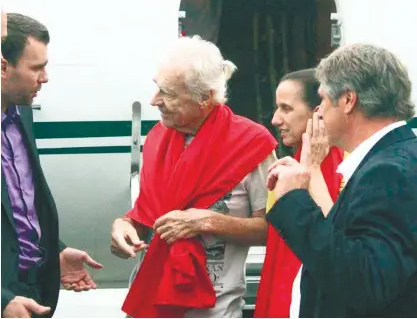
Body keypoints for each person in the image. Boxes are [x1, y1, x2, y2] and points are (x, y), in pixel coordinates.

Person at [110, 35, 277, 318]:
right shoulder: (157, 139)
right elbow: (146, 215)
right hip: (150, 298)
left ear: (205, 98)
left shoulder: (252, 144)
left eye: (169, 93)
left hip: (215, 307)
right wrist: (124, 227)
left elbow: (273, 230)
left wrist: (207, 221)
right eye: (157, 88)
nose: (155, 101)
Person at [266, 43, 417, 317]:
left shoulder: (386, 172)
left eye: (322, 100)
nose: (319, 112)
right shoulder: (398, 157)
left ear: (348, 100)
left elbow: (367, 282)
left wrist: (293, 201)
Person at [1, 12, 103, 319]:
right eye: (36, 68)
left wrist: (53, 252)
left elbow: (19, 208)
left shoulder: (21, 116)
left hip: (31, 295)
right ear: (3, 67)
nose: (44, 78)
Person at [254, 69, 344, 318]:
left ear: (318, 112)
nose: (275, 119)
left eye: (286, 108)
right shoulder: (290, 166)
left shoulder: (344, 168)